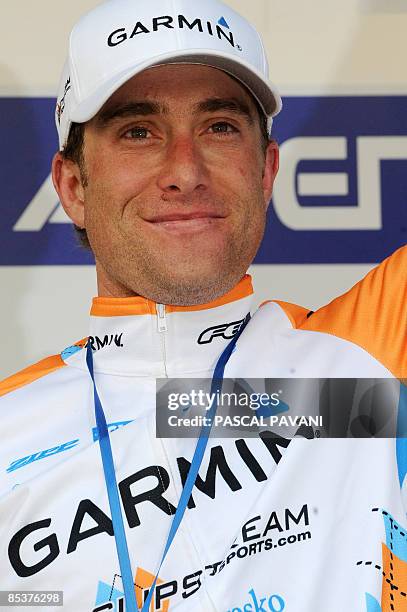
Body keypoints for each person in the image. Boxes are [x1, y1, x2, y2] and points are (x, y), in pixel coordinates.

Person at [0, 0, 406, 611]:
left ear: (266, 173)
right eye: (139, 131)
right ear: (74, 188)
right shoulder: (10, 436)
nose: (185, 171)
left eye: (220, 127)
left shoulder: (369, 360)